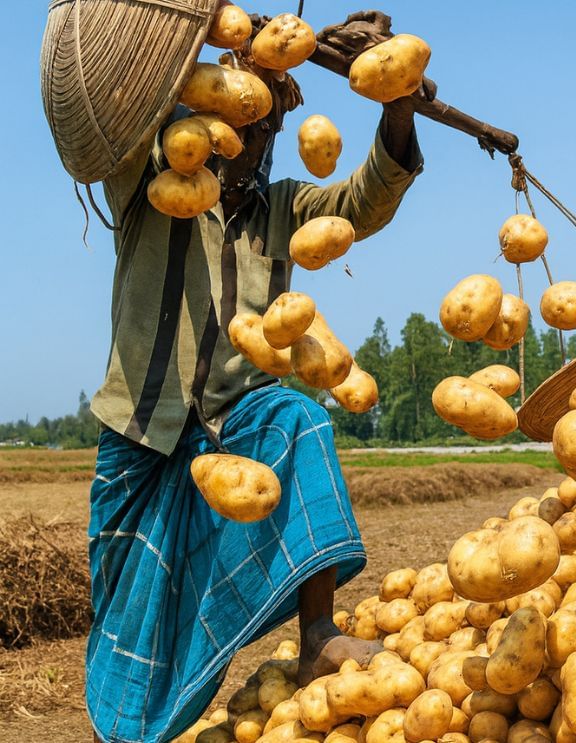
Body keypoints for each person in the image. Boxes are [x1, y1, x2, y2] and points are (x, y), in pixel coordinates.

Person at [84, 35, 425, 743]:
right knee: (127, 607)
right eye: (242, 129)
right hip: (142, 429)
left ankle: (318, 636)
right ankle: (115, 726)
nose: (255, 146)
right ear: (205, 130)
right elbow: (111, 120)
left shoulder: (284, 208)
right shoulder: (150, 187)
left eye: (266, 131)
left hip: (237, 423)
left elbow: (364, 201)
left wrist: (396, 104)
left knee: (299, 418)